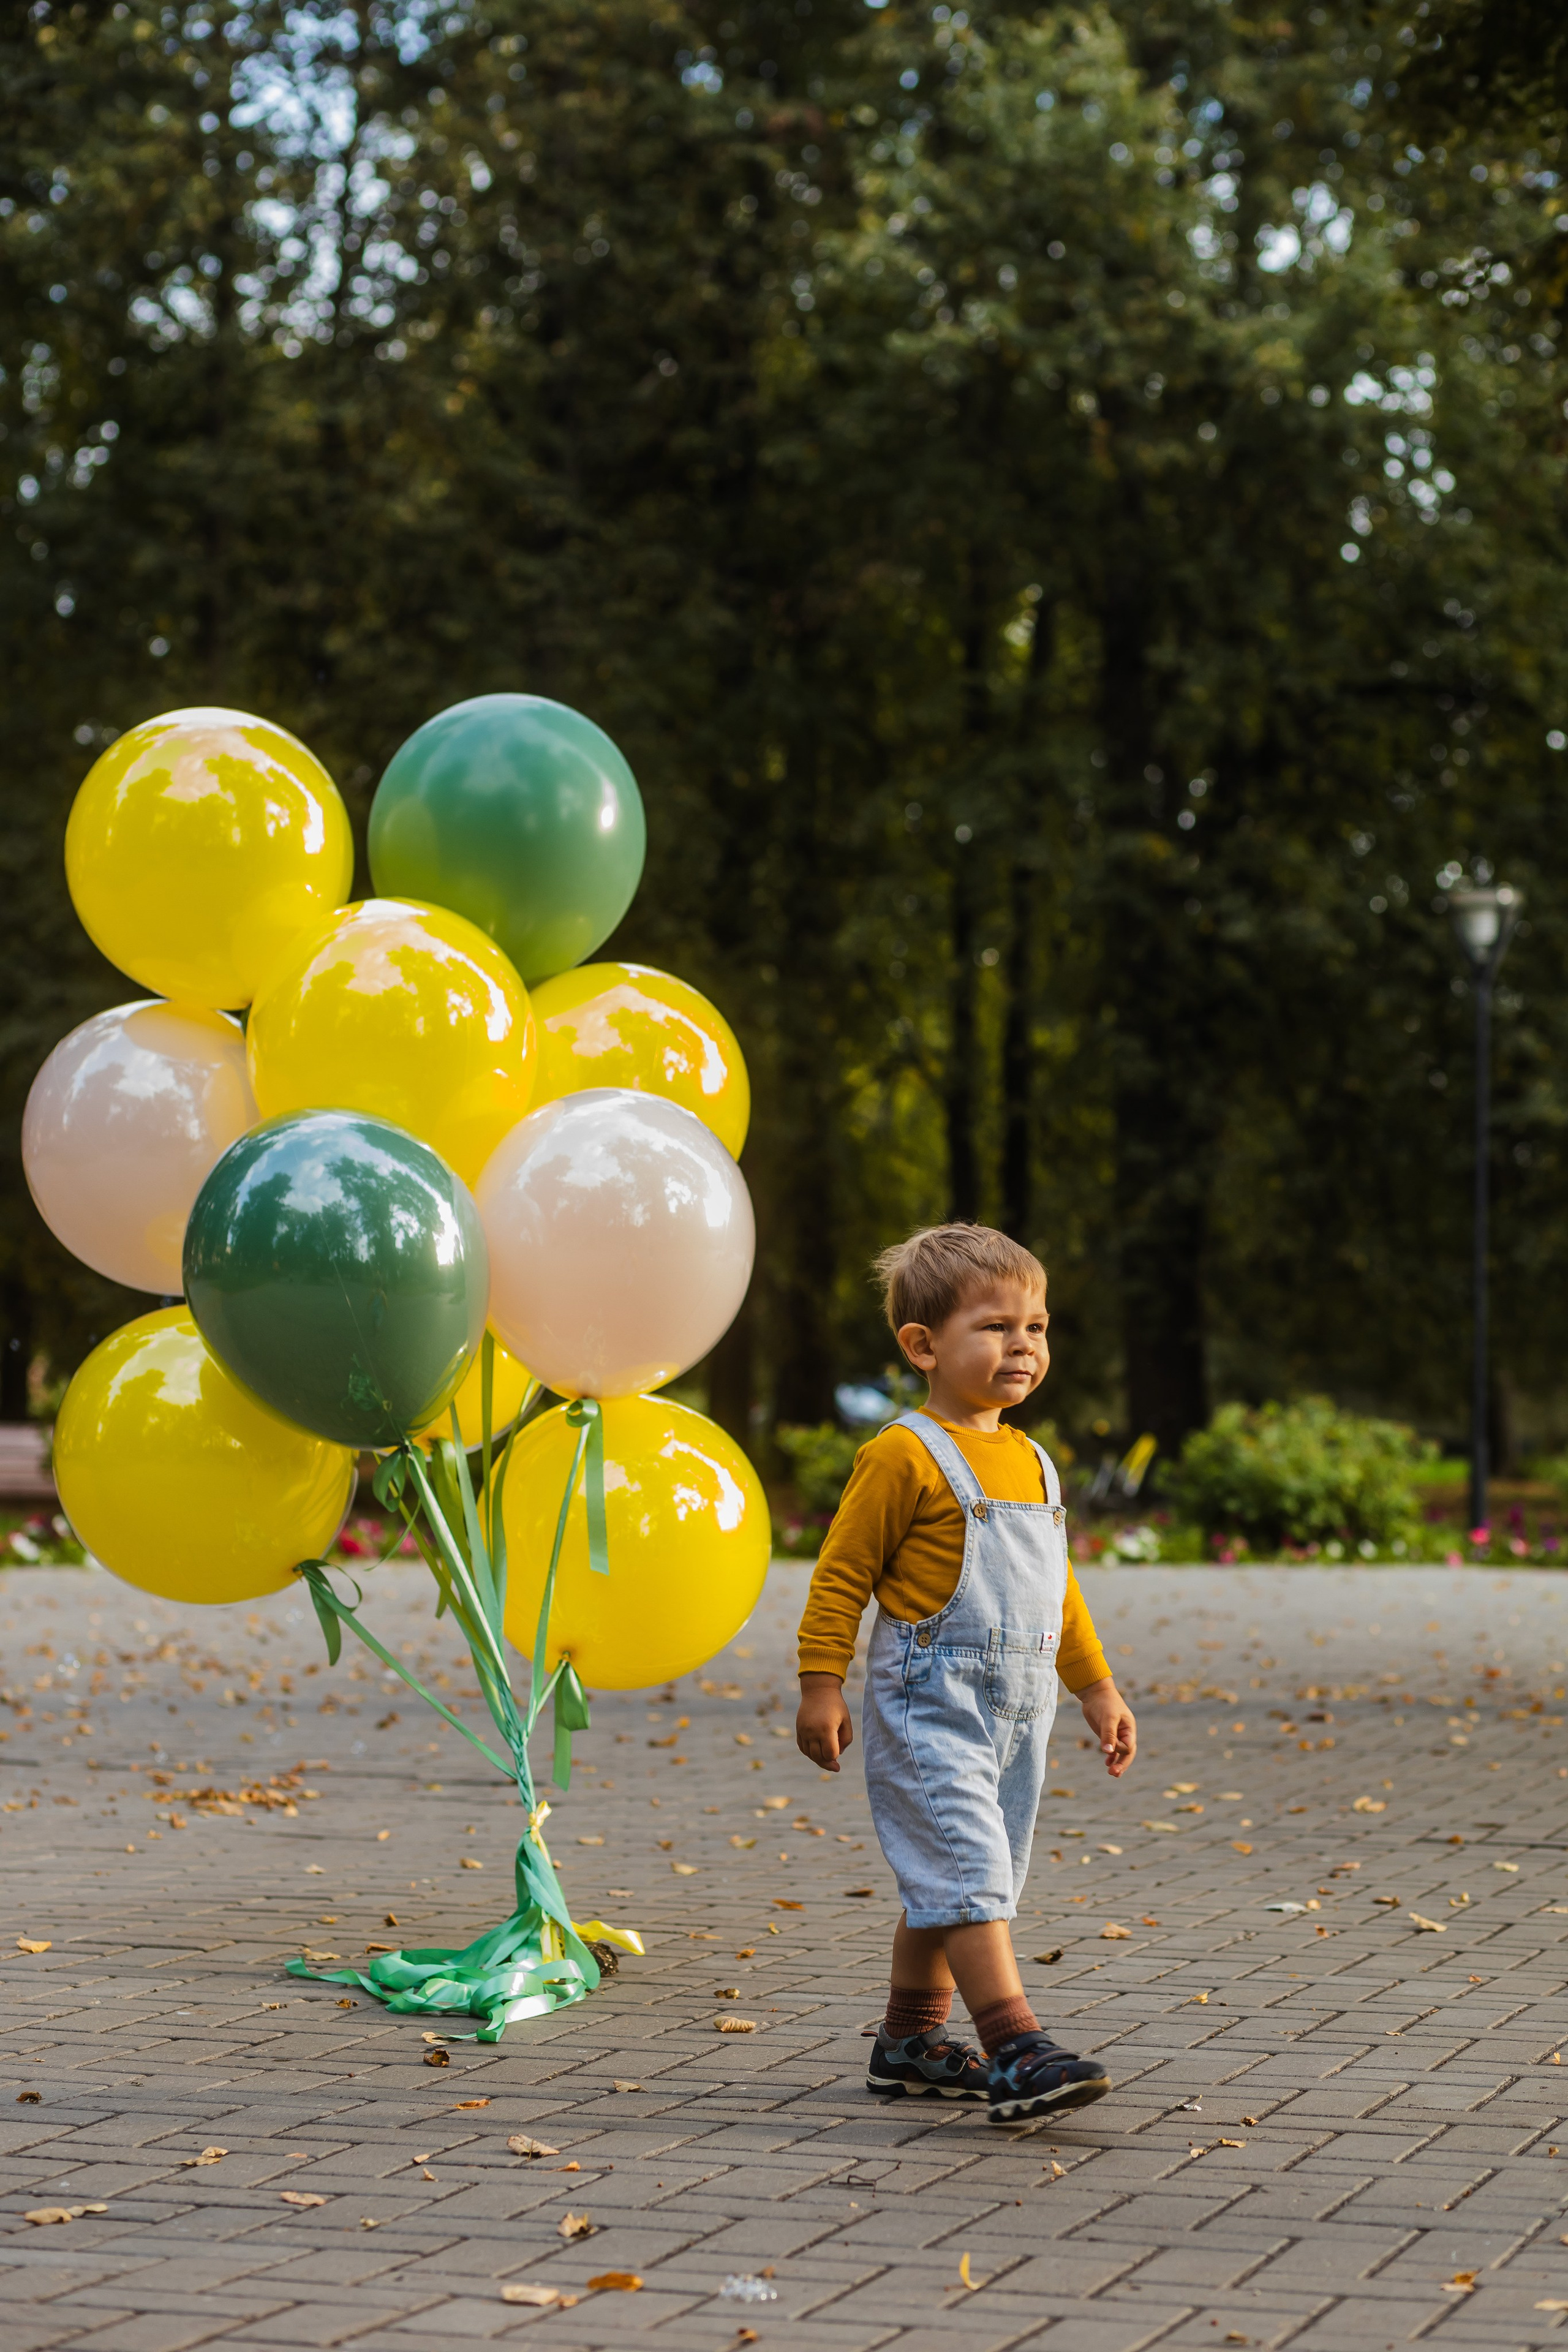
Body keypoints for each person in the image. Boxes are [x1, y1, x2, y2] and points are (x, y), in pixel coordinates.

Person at [795, 1223, 1137, 2124]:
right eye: (996, 1326)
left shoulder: (1032, 1460)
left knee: (957, 1874)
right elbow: (841, 1574)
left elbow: (1056, 1594)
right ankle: (1017, 2045)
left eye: (1037, 1326)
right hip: (928, 1704)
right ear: (923, 1346)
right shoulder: (903, 1454)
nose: (1023, 1344)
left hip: (1018, 1711)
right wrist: (821, 1682)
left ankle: (908, 2043)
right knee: (969, 1869)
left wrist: (1095, 1689)